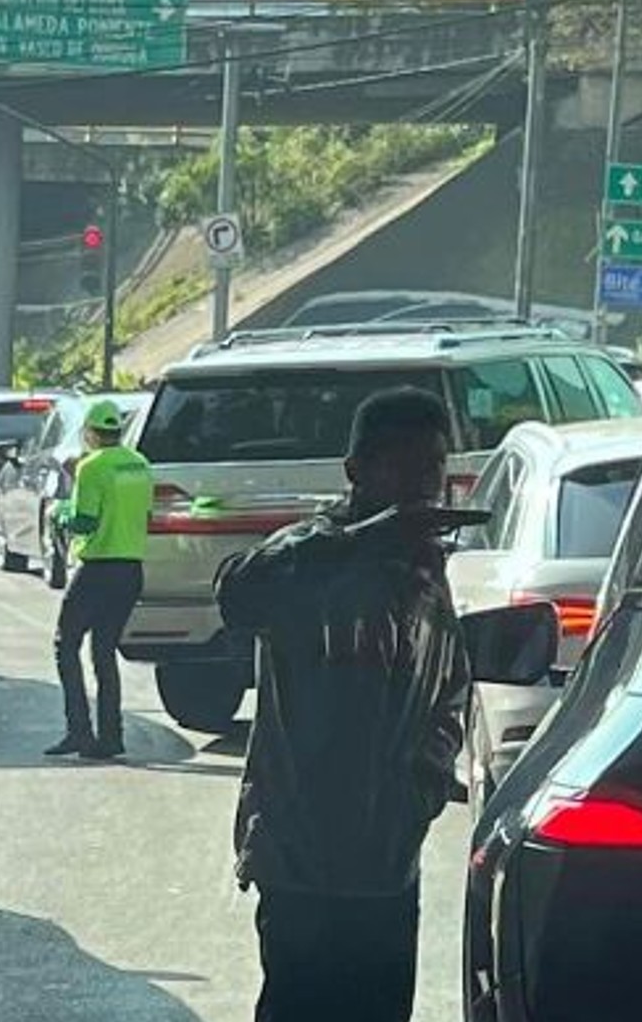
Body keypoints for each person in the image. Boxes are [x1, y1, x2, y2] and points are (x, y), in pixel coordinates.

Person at [214, 387, 470, 1022]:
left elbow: (449, 688)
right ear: (356, 470)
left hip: (388, 864)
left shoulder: (423, 570)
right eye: (404, 466)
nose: (423, 484)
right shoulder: (314, 551)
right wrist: (363, 541)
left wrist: (424, 787)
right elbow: (239, 593)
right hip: (302, 860)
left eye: (433, 466)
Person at [44, 399, 154, 761]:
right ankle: (111, 736)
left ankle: (79, 731)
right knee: (104, 652)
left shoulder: (91, 467)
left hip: (98, 568)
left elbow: (85, 522)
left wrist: (60, 514)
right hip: (131, 570)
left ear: (91, 432)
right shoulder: (140, 465)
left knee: (66, 644)